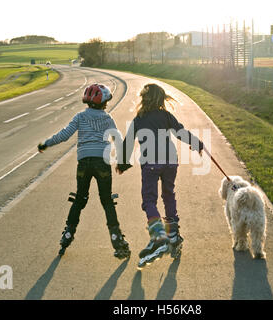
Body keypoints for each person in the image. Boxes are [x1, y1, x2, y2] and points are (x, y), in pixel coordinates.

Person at [38, 83, 130, 259]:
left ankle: (67, 234)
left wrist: (46, 143)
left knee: (80, 199)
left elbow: (64, 135)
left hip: (84, 163)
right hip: (102, 162)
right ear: (104, 102)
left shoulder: (80, 117)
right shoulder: (107, 118)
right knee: (107, 201)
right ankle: (117, 240)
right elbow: (117, 139)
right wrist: (122, 162)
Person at [116, 83, 203, 269]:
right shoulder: (166, 115)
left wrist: (123, 164)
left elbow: (128, 142)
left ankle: (159, 237)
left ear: (144, 99)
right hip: (170, 161)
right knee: (168, 194)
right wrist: (196, 143)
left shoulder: (139, 119)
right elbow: (180, 131)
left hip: (151, 164)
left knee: (149, 200)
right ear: (161, 99)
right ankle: (172, 234)